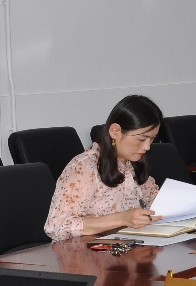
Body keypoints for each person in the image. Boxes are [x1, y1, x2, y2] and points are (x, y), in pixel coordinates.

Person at [45, 95, 165, 241]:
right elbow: (56, 227)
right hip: (87, 251)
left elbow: (155, 201)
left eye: (152, 139)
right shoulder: (84, 167)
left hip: (126, 248)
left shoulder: (133, 163)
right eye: (141, 139)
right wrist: (122, 218)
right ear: (115, 131)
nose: (147, 147)